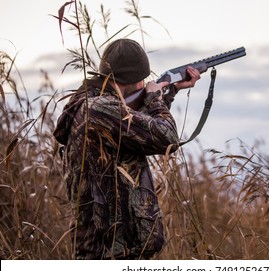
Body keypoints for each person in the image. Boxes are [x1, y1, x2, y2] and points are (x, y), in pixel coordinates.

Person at [53, 38, 200, 259]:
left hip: (109, 246)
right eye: (142, 80)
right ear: (130, 80)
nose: (144, 84)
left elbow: (140, 130)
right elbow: (167, 138)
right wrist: (154, 98)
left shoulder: (93, 104)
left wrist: (169, 92)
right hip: (112, 250)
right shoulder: (101, 109)